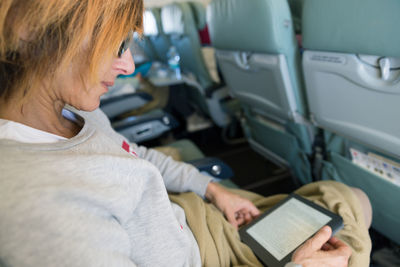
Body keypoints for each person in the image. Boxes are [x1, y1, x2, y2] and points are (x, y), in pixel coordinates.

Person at [0, 0, 372, 266]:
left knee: (342, 200)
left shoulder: (70, 112)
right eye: (116, 45)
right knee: (348, 217)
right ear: (31, 29)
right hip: (203, 252)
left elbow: (135, 155)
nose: (128, 64)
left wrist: (213, 190)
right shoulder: (35, 207)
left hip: (191, 216)